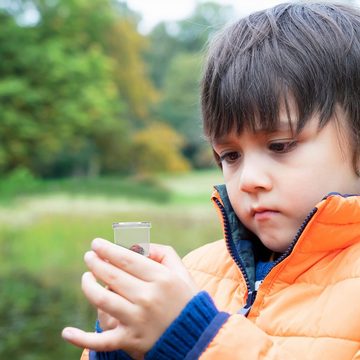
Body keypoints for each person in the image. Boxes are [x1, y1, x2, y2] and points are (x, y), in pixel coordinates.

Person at [62, 2, 360, 359]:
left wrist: (194, 340)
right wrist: (125, 345)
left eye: (279, 145)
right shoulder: (193, 273)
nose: (248, 180)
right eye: (230, 156)